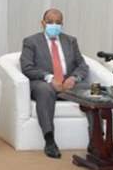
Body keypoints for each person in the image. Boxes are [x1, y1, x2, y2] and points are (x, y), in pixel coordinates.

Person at [19, 8, 89, 158]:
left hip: (68, 84)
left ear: (62, 24)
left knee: (93, 91)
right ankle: (49, 140)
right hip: (43, 83)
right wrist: (50, 78)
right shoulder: (31, 41)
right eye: (50, 22)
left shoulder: (70, 41)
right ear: (42, 23)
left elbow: (82, 65)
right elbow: (27, 68)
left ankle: (96, 140)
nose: (54, 25)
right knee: (45, 90)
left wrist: (74, 78)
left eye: (58, 22)